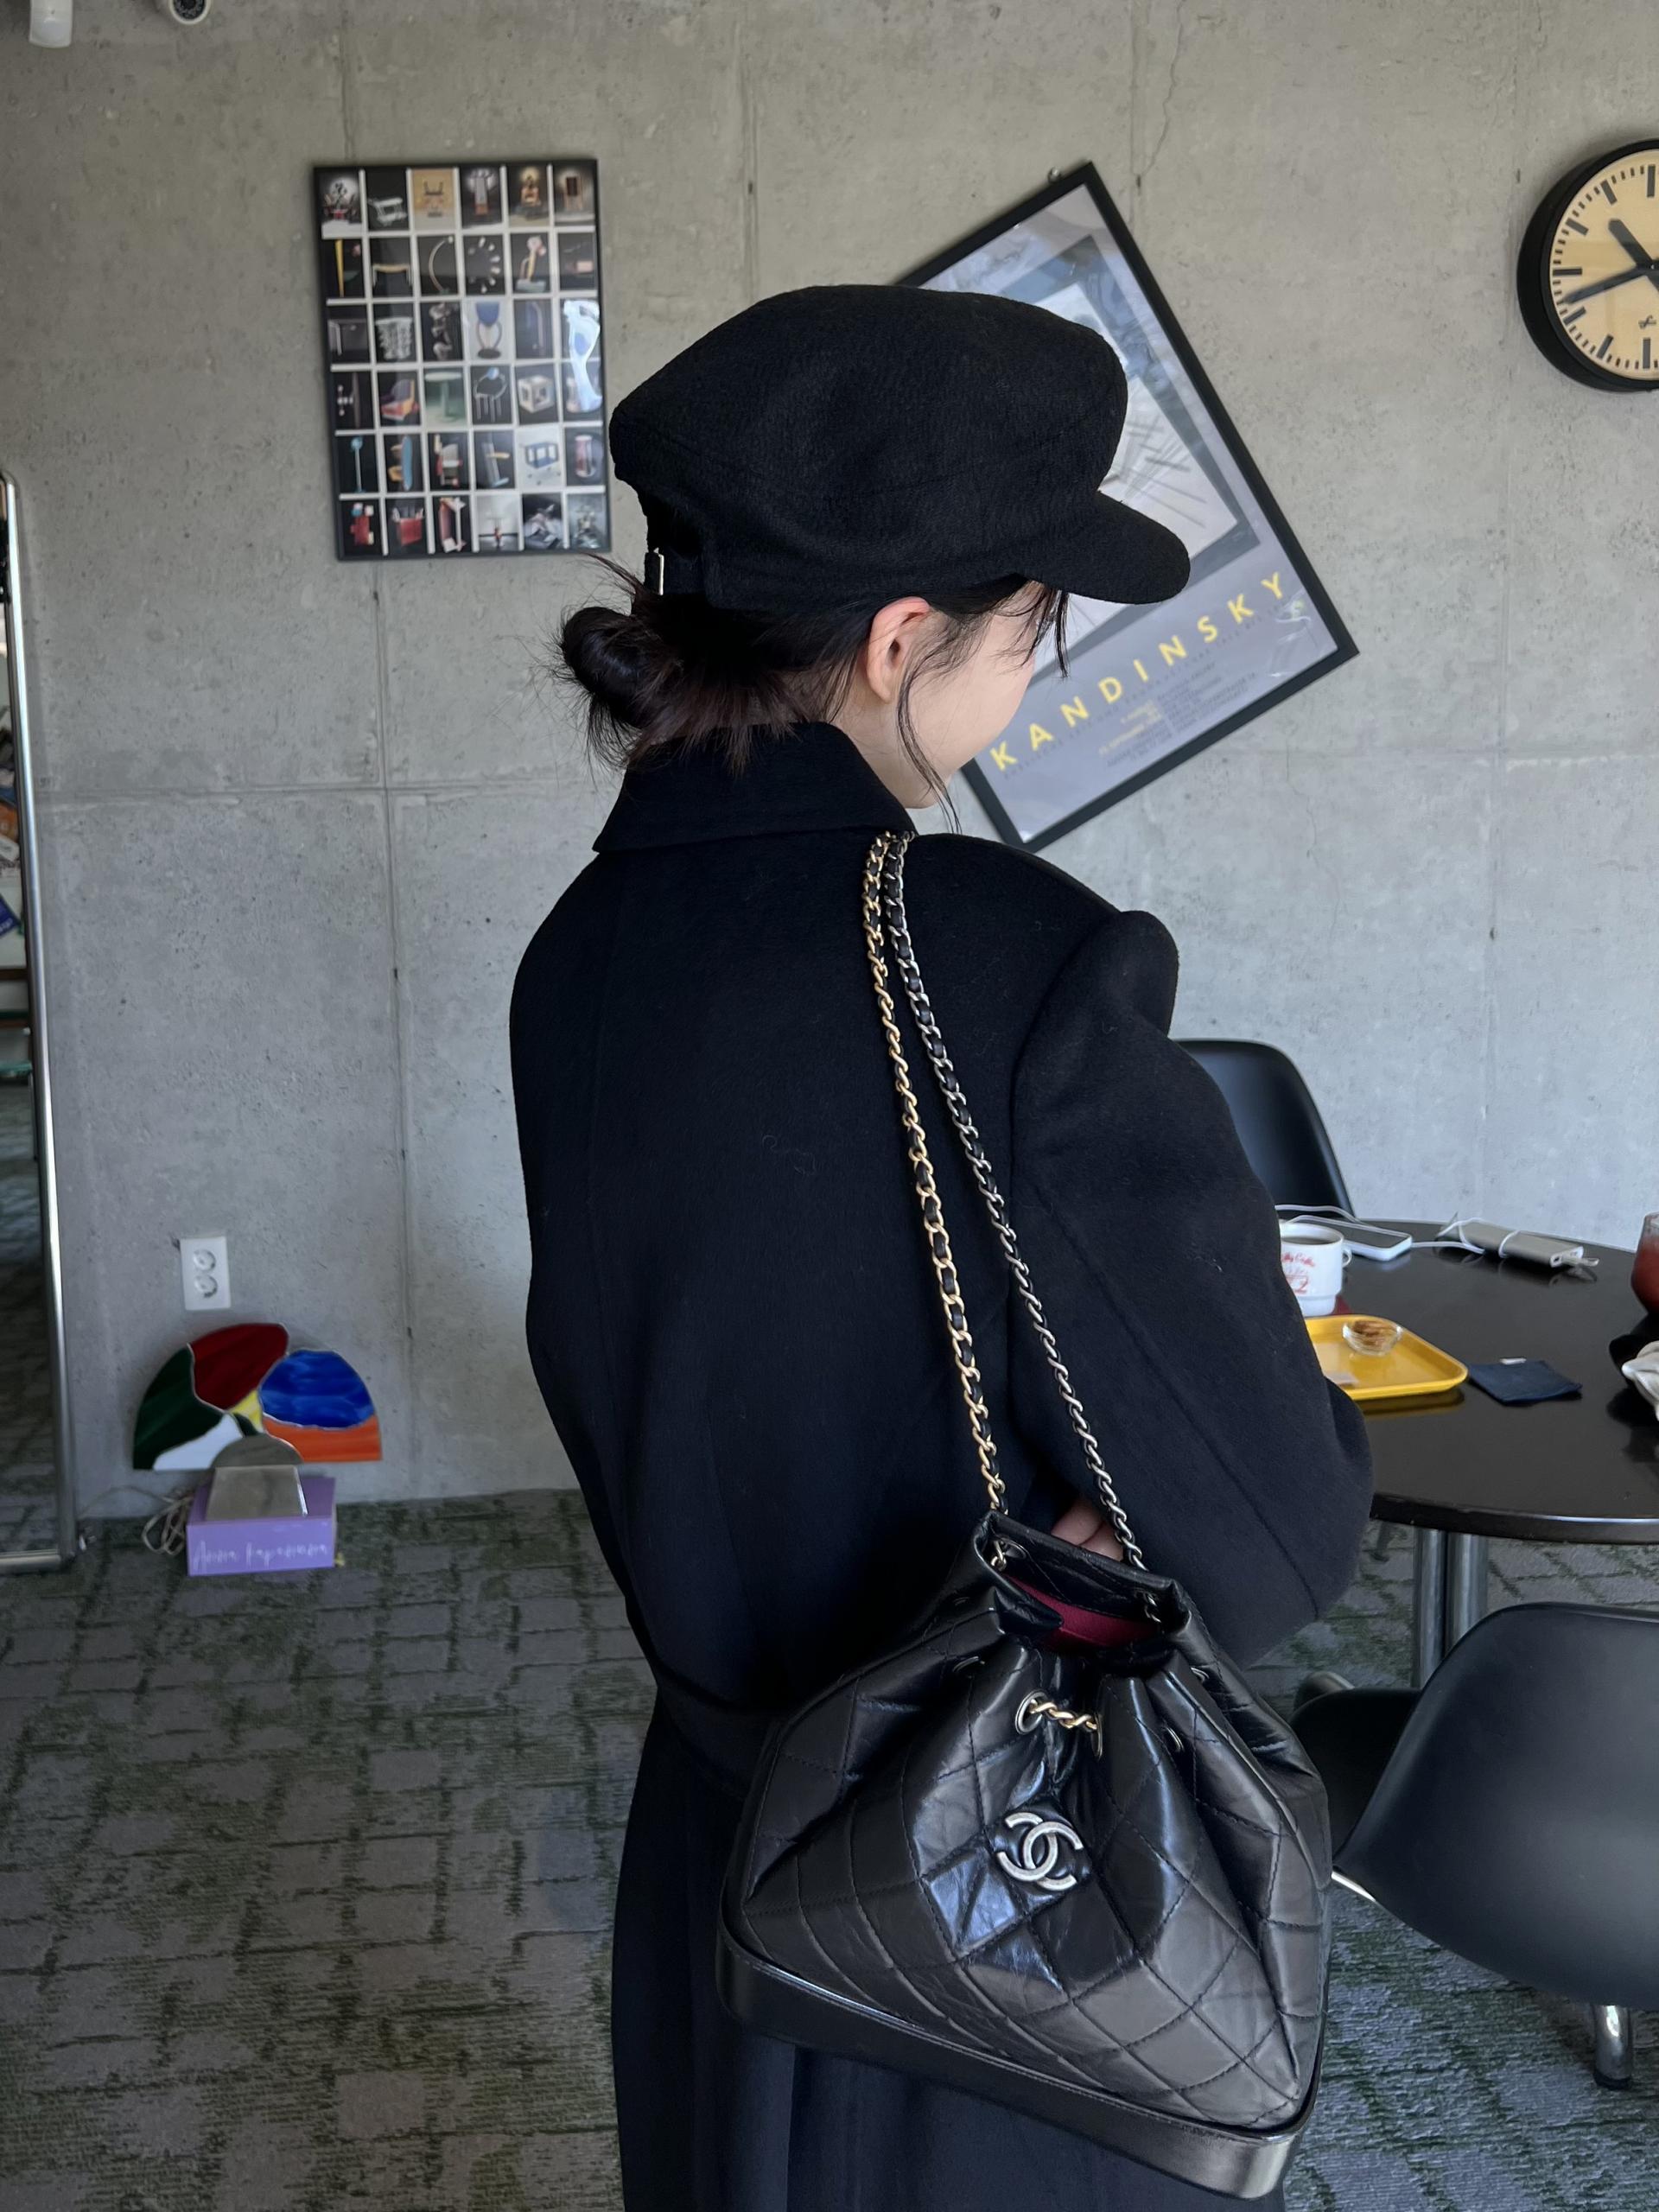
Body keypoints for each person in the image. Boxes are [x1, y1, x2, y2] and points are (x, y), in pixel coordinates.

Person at [511, 285, 1372, 2212]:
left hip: (725, 1876)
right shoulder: (1004, 955)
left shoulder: (575, 956)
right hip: (993, 1891)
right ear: (905, 640)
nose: (1029, 678)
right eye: (1030, 628)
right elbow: (1274, 1532)